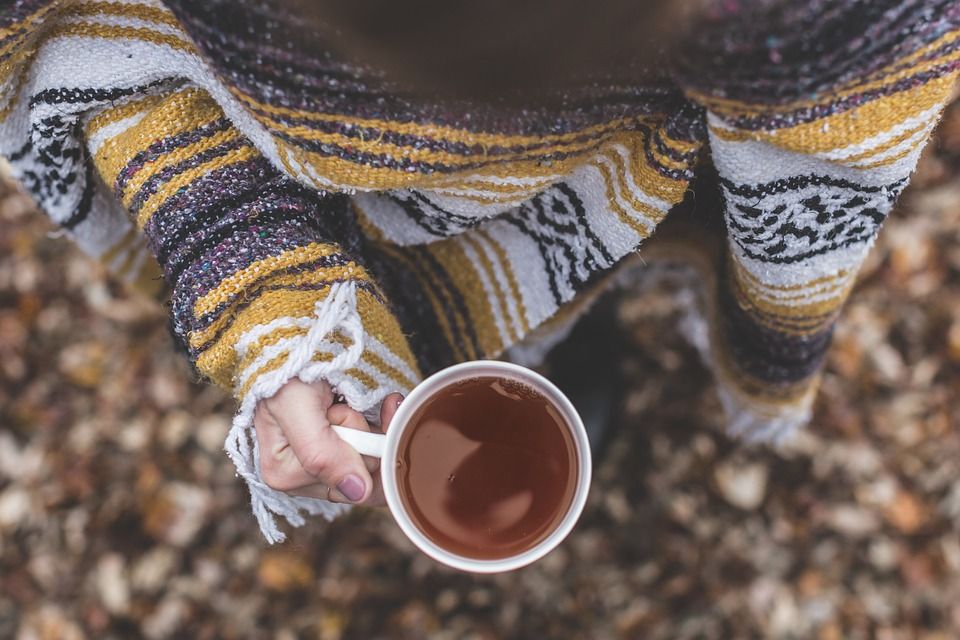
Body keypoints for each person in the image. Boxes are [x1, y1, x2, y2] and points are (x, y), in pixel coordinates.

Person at [1, 0, 957, 543]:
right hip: (302, 196)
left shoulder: (804, 17)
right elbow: (114, 46)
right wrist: (267, 294)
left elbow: (833, 143)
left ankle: (571, 338)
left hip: (623, 191)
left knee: (579, 294)